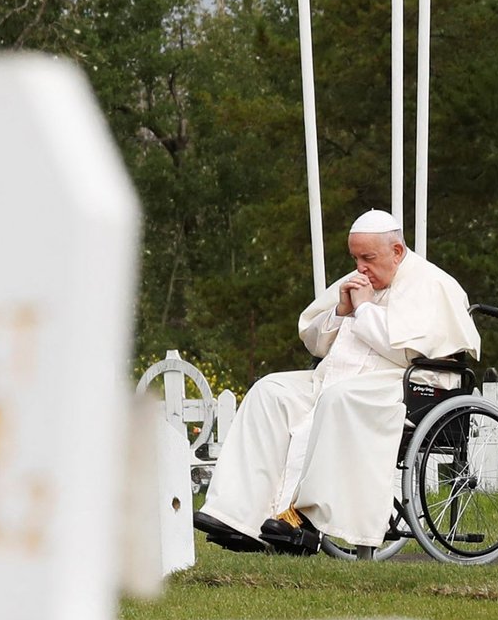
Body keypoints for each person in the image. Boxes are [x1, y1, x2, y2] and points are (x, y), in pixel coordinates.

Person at [194, 209, 481, 554]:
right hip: (336, 377)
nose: (360, 267)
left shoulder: (434, 285)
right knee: (270, 390)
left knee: (338, 398)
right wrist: (340, 310)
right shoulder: (359, 281)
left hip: (406, 385)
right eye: (356, 258)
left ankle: (305, 520)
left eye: (368, 258)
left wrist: (363, 311)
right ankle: (238, 516)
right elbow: (315, 343)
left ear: (397, 252)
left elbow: (406, 351)